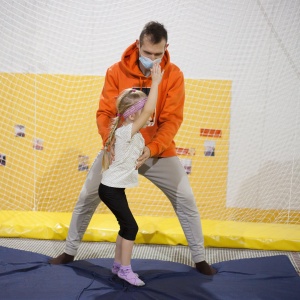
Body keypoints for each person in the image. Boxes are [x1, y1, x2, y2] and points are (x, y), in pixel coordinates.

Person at [50, 21, 216, 276]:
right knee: (87, 196)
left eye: (158, 54)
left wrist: (152, 149)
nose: (152, 58)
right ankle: (70, 251)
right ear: (138, 45)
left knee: (185, 199)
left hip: (155, 150)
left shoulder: (174, 75)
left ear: (166, 48)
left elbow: (172, 119)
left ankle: (200, 259)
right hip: (120, 147)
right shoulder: (116, 71)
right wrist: (110, 143)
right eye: (148, 53)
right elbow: (105, 112)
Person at [99, 63, 163, 286]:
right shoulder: (127, 130)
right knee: (131, 227)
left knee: (125, 225)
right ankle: (126, 270)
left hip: (113, 188)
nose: (147, 113)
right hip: (110, 189)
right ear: (133, 114)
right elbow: (147, 110)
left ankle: (118, 265)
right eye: (142, 110)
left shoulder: (127, 131)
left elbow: (145, 115)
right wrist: (155, 82)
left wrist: (144, 150)